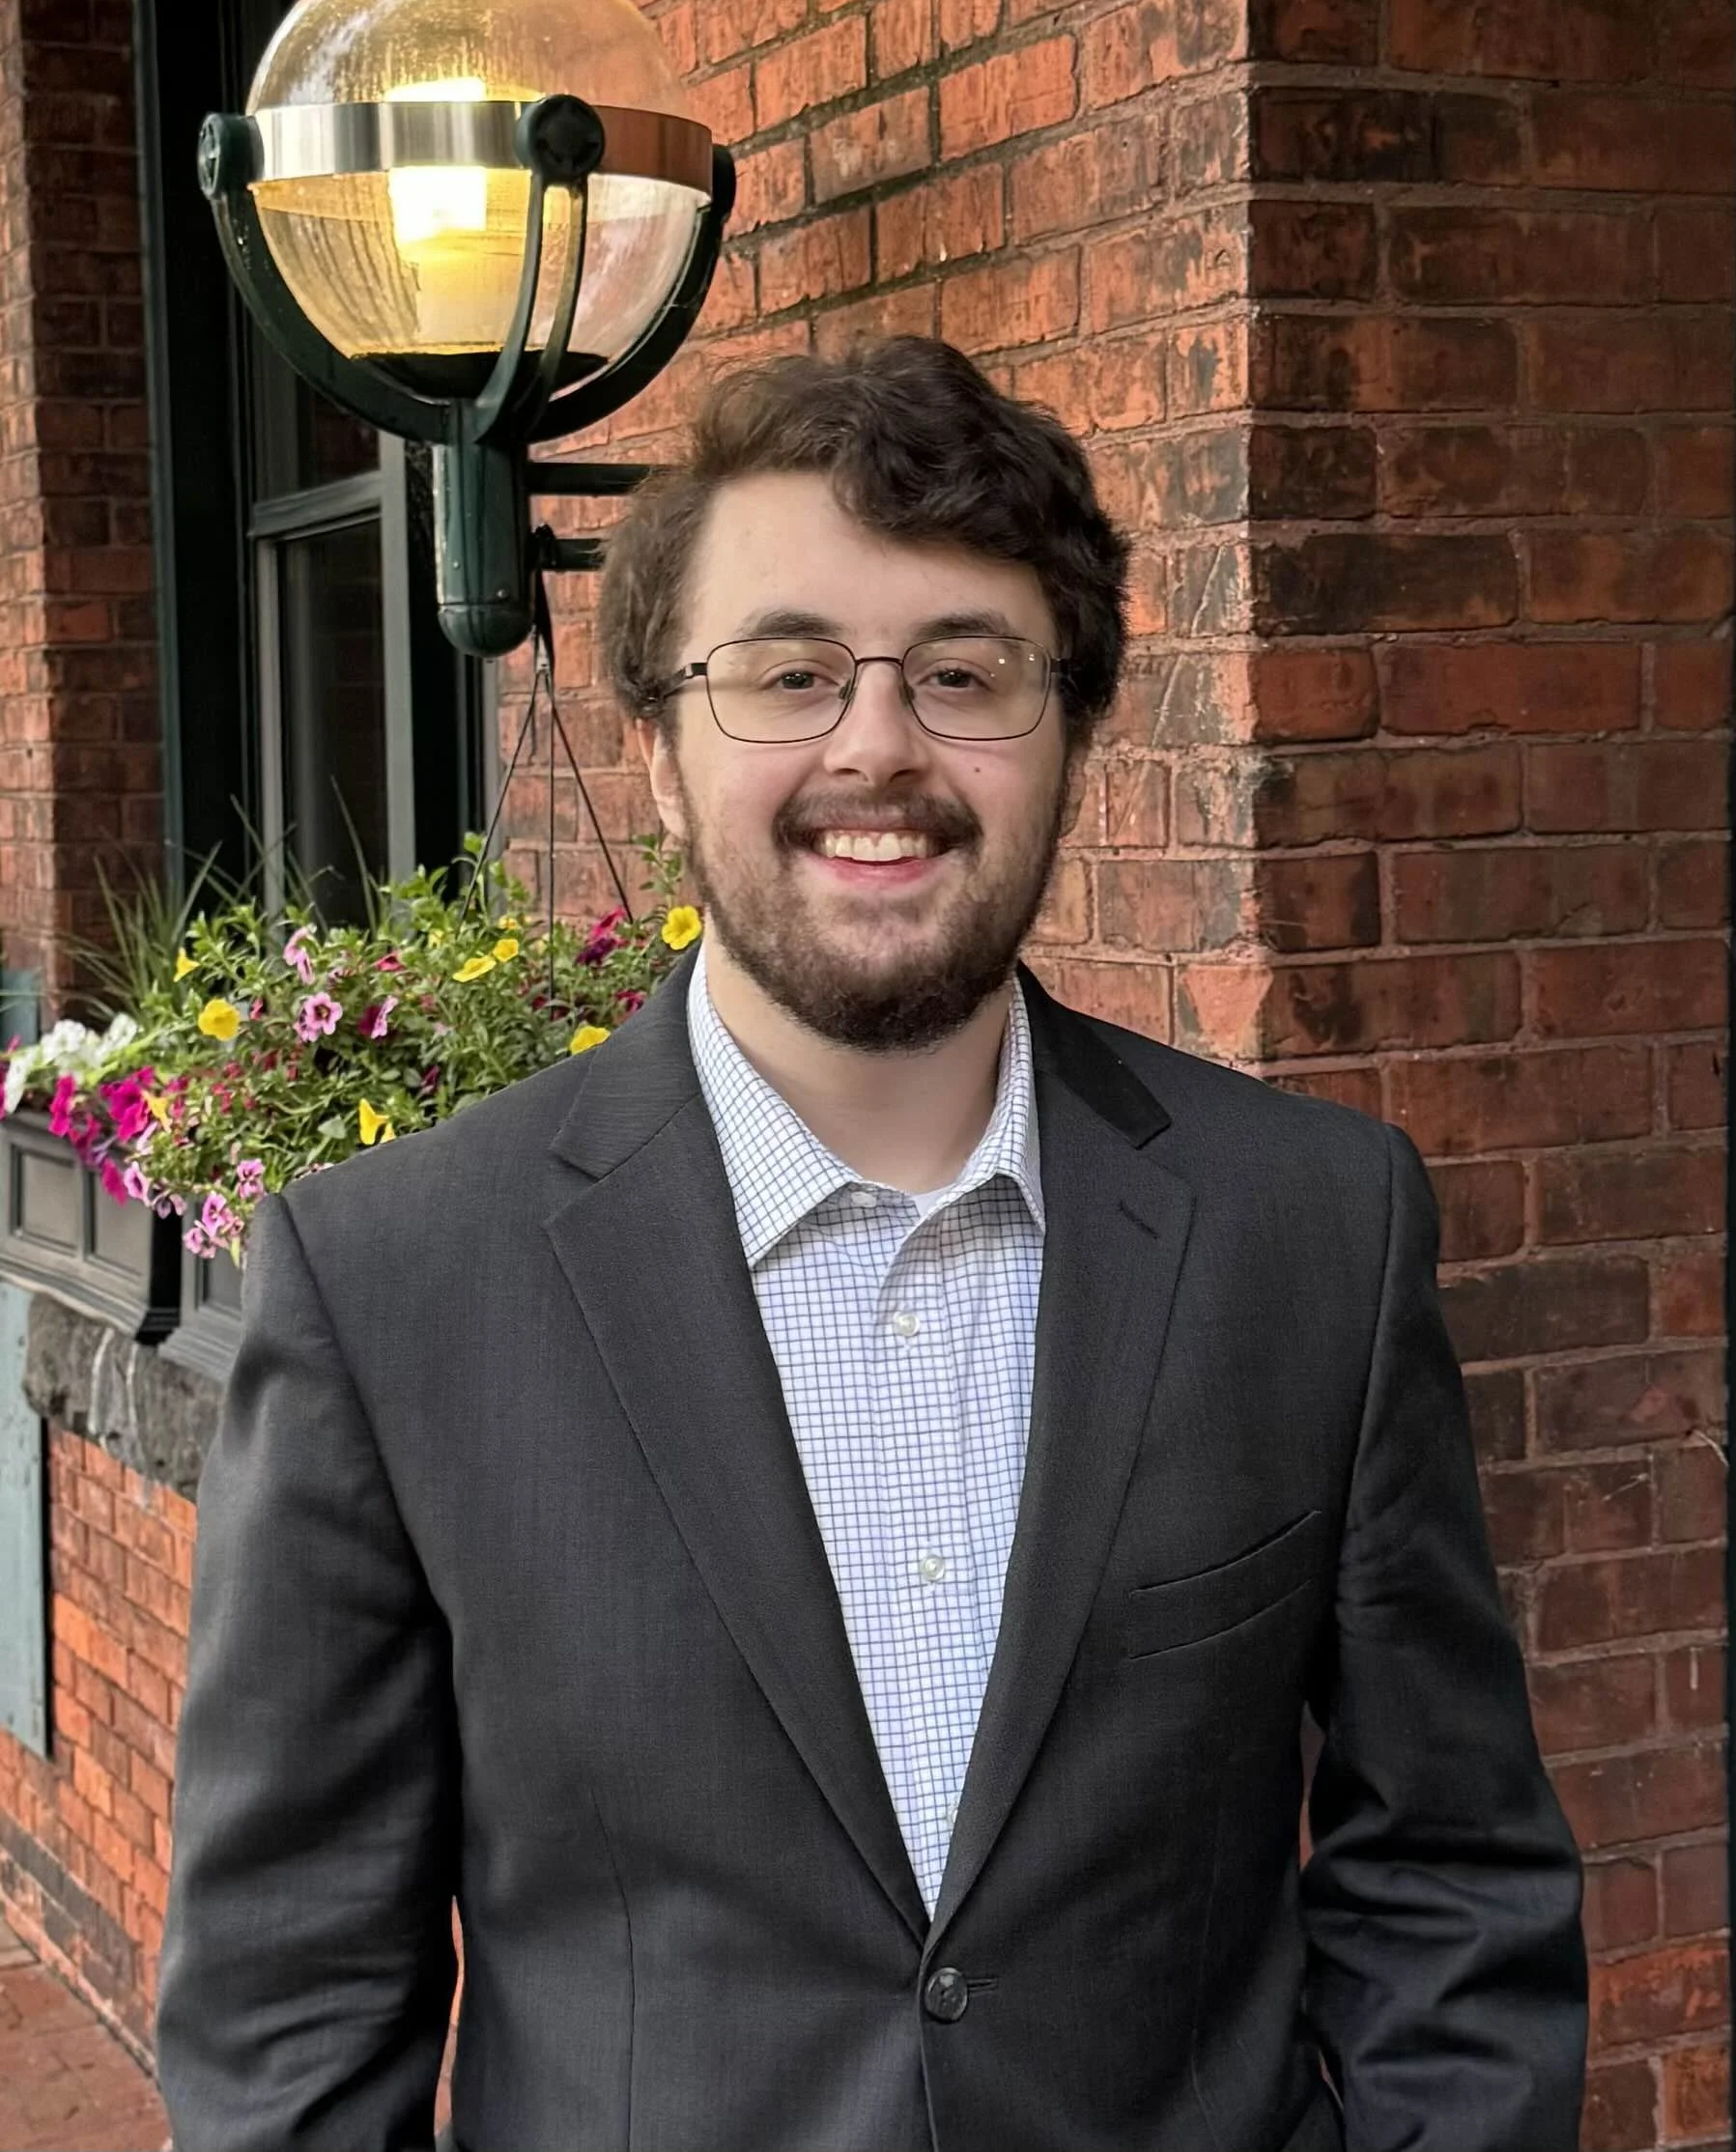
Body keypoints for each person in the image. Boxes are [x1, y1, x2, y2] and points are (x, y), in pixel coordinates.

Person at [157, 336, 1587, 2152]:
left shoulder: (1312, 1231)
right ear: (660, 757)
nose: (878, 748)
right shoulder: (395, 1287)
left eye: (966, 673)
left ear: (1071, 731)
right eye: (790, 672)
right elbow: (291, 2011)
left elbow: (1453, 1888)